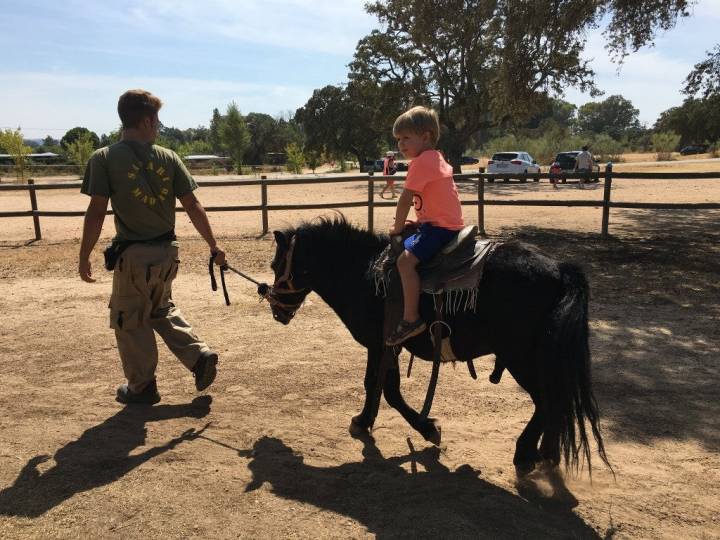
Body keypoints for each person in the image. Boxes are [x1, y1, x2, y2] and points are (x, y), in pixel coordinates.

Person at [79, 89, 226, 405]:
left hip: (133, 256)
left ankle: (141, 387)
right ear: (145, 120)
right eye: (157, 119)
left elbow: (96, 211)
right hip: (167, 255)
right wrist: (213, 245)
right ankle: (199, 356)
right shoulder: (169, 158)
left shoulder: (104, 158)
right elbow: (193, 204)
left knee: (129, 320)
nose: (158, 125)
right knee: (160, 310)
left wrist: (84, 254)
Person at [385, 106, 465, 346]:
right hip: (440, 223)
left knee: (405, 262)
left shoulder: (421, 163)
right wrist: (419, 221)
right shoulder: (435, 157)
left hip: (439, 228)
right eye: (398, 139)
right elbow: (433, 201)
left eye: (406, 137)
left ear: (426, 136)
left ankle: (411, 319)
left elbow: (405, 200)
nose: (401, 144)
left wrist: (397, 228)